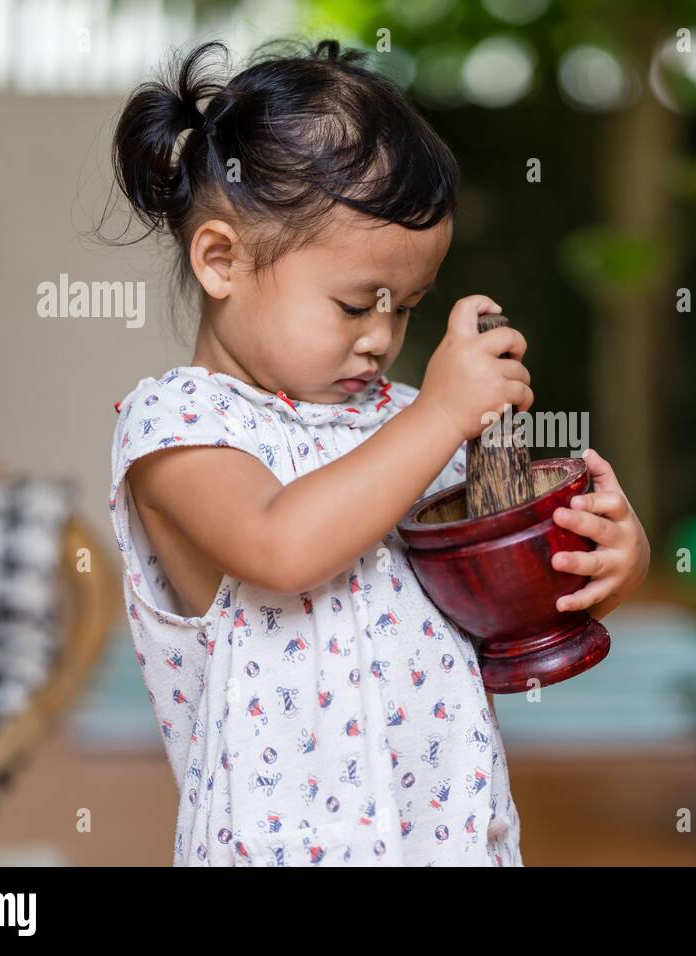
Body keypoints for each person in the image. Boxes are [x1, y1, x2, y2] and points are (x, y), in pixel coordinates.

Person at [105, 37, 650, 866]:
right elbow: (281, 547)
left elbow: (506, 576)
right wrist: (438, 416)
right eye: (357, 304)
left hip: (452, 834)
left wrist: (609, 553)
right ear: (222, 259)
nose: (383, 340)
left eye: (404, 308)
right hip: (281, 846)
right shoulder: (179, 426)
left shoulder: (400, 418)